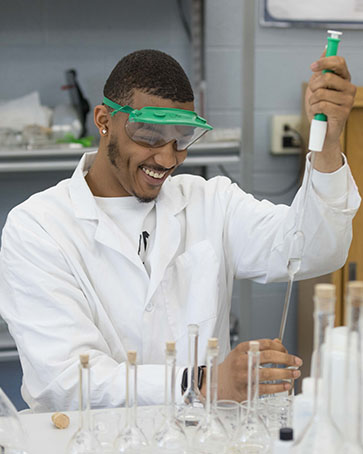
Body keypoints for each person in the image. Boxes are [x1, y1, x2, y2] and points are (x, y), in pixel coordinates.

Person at [0, 49, 359, 412]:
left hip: (199, 440)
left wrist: (328, 143)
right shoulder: (38, 227)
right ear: (104, 120)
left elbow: (315, 250)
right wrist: (203, 383)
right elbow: (64, 382)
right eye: (150, 136)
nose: (167, 159)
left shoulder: (210, 201)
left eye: (181, 140)